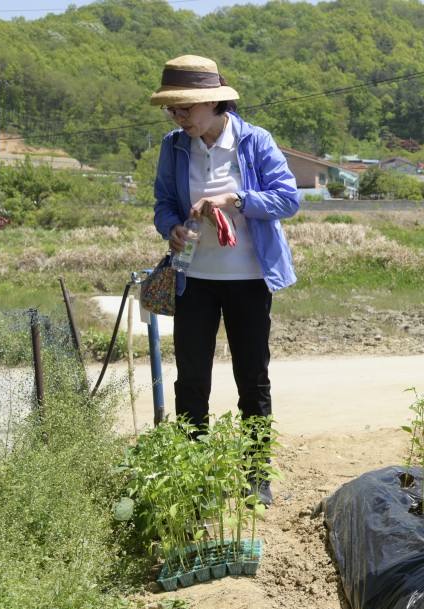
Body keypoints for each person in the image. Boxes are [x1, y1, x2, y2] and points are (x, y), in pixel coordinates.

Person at [150, 55, 300, 506]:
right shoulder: (174, 146)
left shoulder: (254, 141)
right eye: (172, 110)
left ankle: (256, 475)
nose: (178, 118)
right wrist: (171, 227)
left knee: (252, 377)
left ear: (213, 102)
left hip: (249, 278)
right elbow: (162, 203)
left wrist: (236, 196)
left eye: (184, 109)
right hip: (193, 277)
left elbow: (287, 199)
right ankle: (193, 473)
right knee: (191, 378)